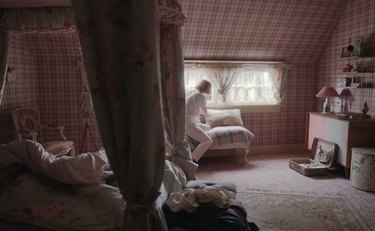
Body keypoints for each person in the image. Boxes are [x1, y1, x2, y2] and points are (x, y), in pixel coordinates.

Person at [186, 79, 213, 162]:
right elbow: (205, 111)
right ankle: (192, 159)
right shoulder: (200, 96)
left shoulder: (192, 91)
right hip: (188, 123)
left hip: (189, 121)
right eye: (210, 87)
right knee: (208, 141)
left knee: (207, 128)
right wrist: (211, 119)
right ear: (207, 87)